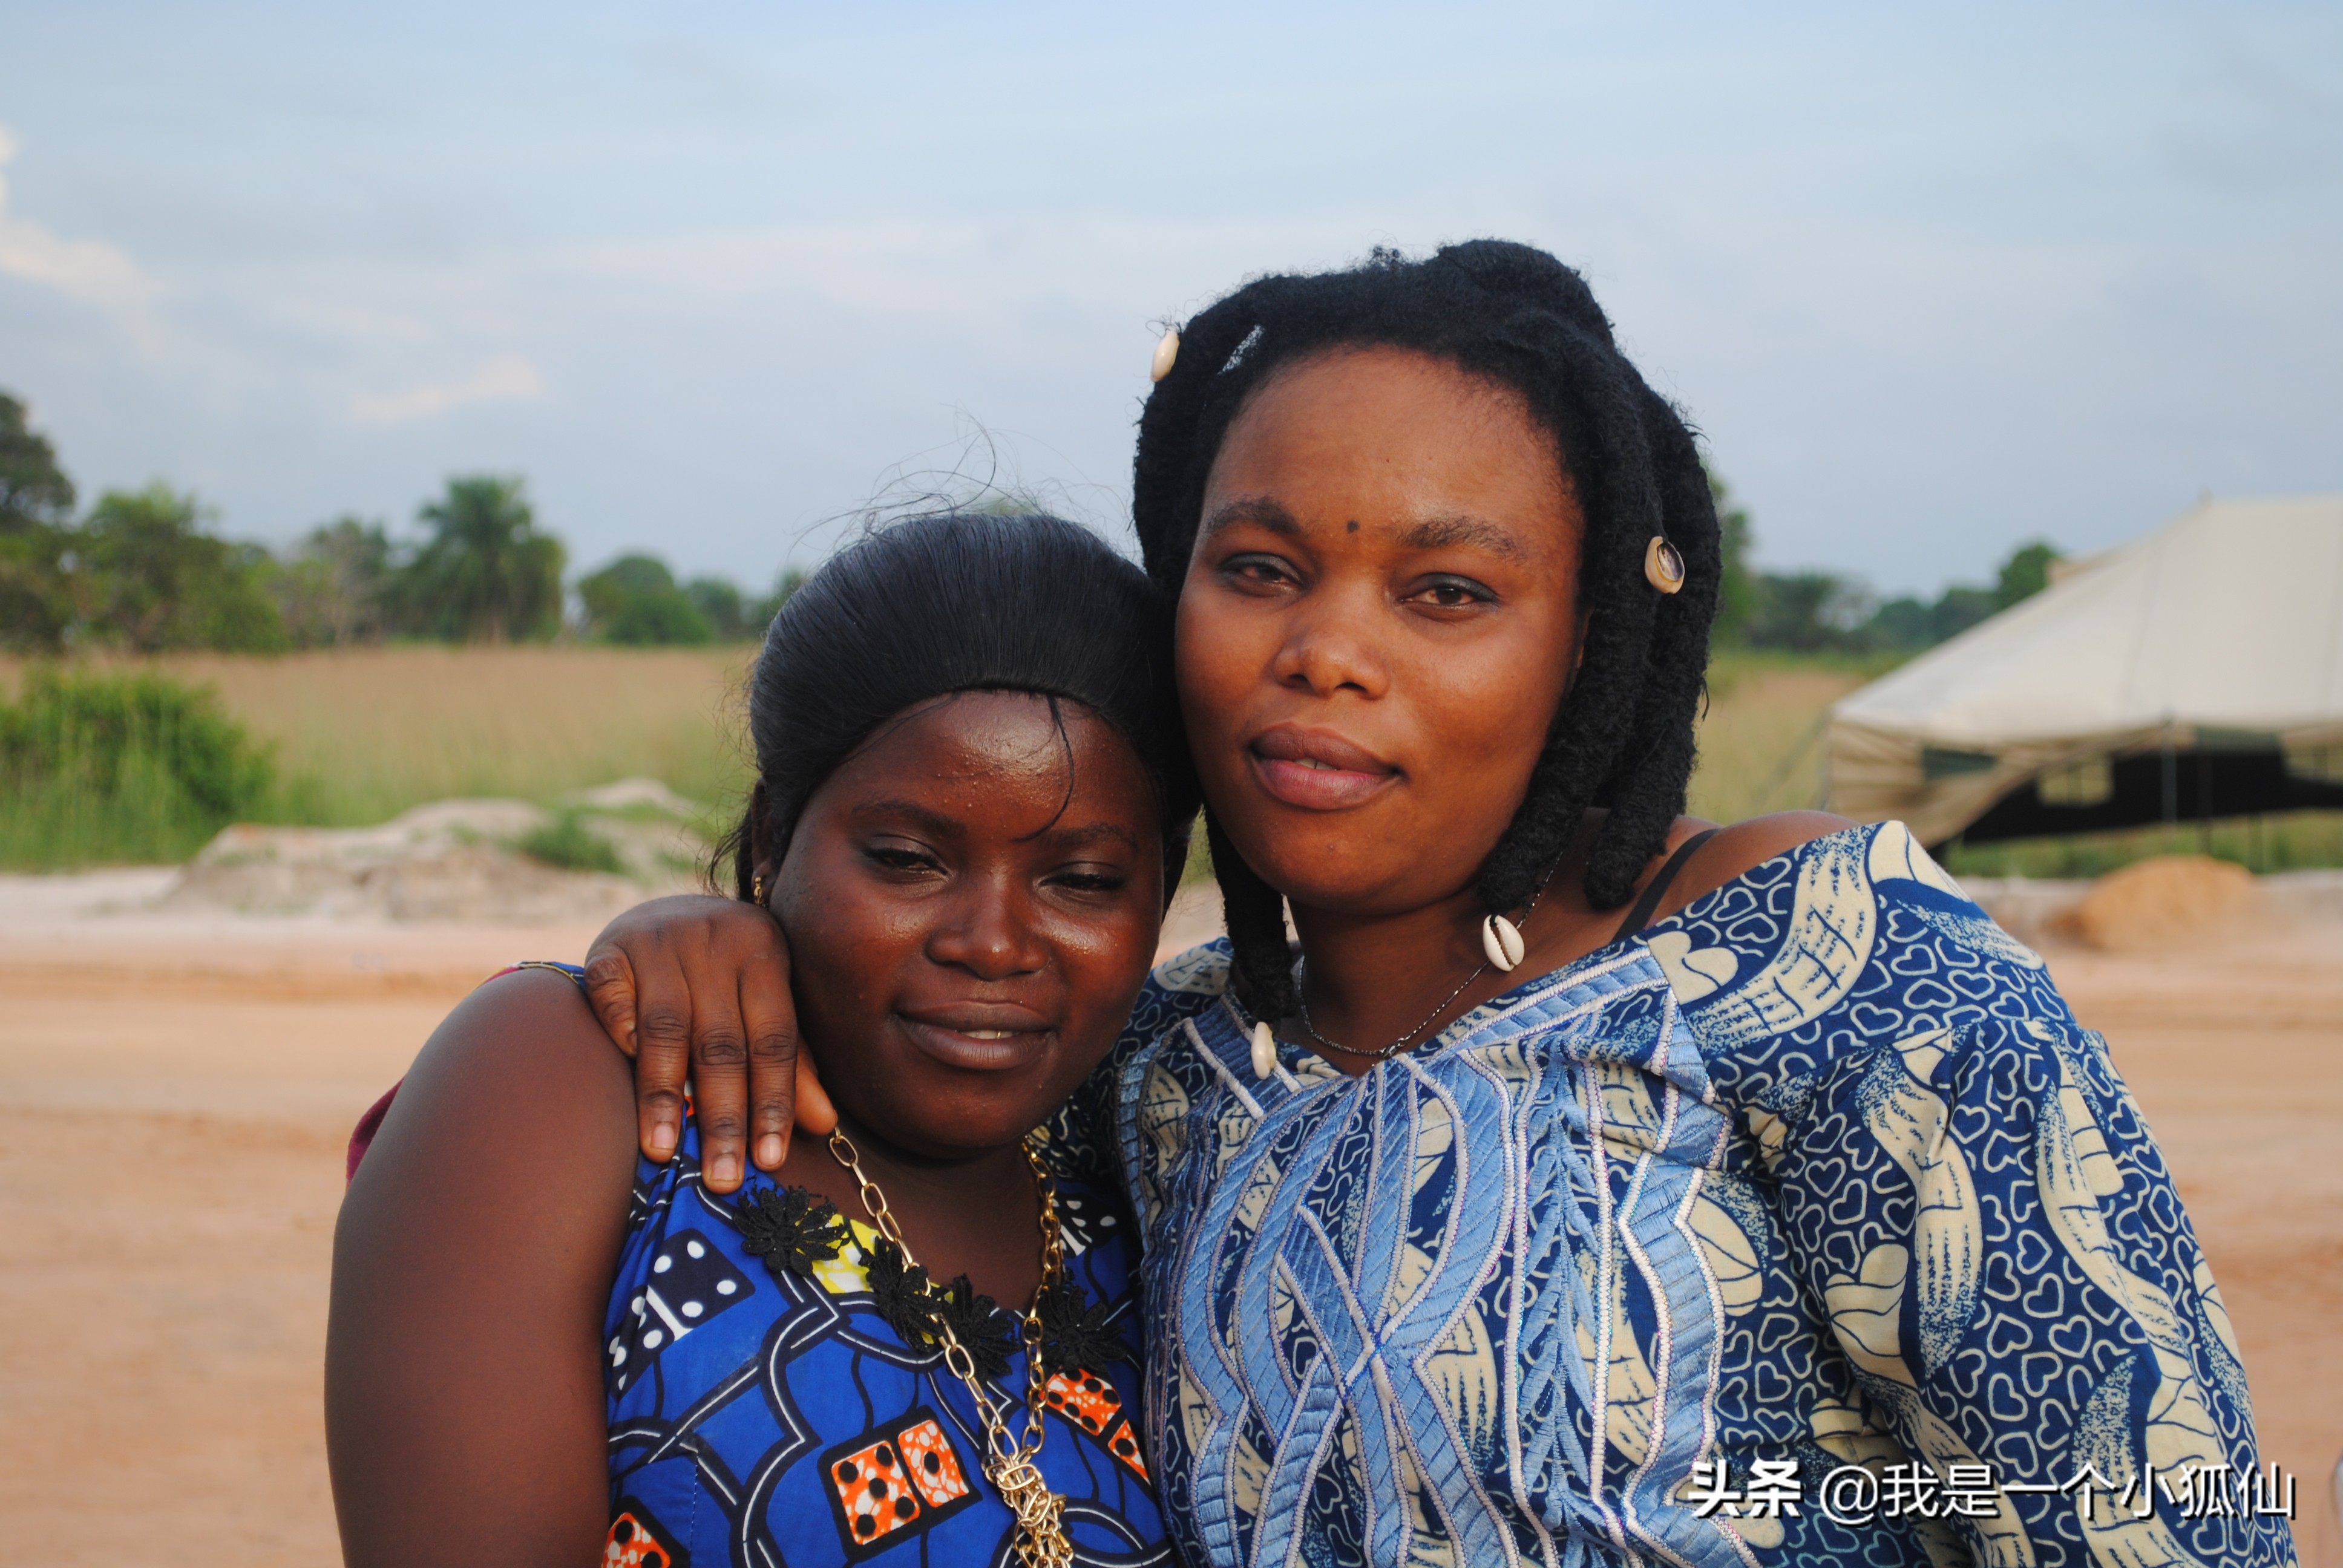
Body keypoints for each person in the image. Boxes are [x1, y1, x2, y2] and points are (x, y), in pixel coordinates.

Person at [580, 244, 2287, 1567]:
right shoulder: (1173, 1073)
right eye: (1259, 569)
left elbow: (2143, 1500)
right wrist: (715, 934)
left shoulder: (1816, 972)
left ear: (1592, 648)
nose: (1327, 648)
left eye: (1446, 590)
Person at [327, 514, 1198, 1567]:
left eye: (1085, 881)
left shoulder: (1155, 1162)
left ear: (1158, 891)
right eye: (908, 859)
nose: (993, 943)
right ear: (776, 836)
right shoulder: (580, 1086)